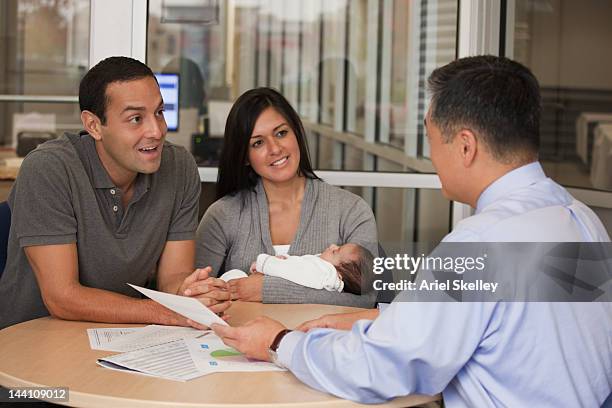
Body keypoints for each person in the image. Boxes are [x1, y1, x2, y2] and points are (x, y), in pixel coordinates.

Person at [211, 56, 612, 407]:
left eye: (432, 139)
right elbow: (511, 319)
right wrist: (374, 317)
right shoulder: (580, 220)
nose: (431, 156)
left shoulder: (477, 246)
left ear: (466, 146)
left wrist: (279, 343)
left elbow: (384, 368)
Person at [0, 56, 229, 329]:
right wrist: (166, 313)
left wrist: (189, 294)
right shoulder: (49, 169)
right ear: (94, 125)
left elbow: (173, 278)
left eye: (159, 112)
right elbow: (62, 297)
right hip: (34, 337)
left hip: (124, 335)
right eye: (135, 118)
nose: (156, 131)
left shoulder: (179, 167)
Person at [195, 87, 378, 307]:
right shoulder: (222, 215)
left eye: (281, 133)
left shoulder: (352, 210)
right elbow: (196, 296)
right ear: (244, 156)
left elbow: (368, 298)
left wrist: (266, 289)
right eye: (258, 143)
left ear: (297, 133)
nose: (275, 149)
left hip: (320, 340)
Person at [221, 243, 374, 294]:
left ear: (339, 275)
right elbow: (298, 268)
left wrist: (265, 263)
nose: (332, 246)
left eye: (336, 251)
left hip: (251, 292)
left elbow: (292, 270)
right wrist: (284, 260)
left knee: (234, 275)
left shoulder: (325, 272)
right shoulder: (324, 271)